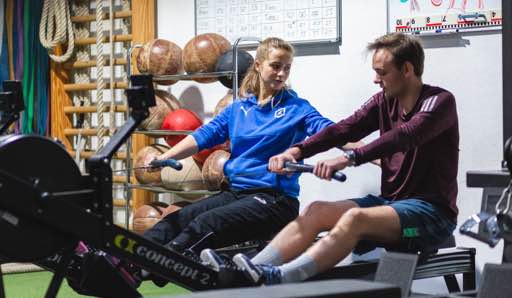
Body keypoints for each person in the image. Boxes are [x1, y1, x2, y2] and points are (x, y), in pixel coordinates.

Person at [202, 32, 459, 285]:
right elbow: (344, 129)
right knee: (317, 210)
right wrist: (298, 151)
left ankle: (281, 276)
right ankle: (253, 269)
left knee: (354, 219)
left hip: (431, 217)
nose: (375, 79)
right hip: (391, 205)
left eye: (382, 72)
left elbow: (406, 136)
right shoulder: (384, 101)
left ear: (407, 69)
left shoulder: (439, 101)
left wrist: (349, 158)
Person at [142, 37, 361, 261]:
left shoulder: (297, 108)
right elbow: (204, 135)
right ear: (258, 65)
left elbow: (334, 133)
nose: (282, 73)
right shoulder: (238, 108)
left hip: (275, 201)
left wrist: (370, 152)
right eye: (276, 66)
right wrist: (164, 156)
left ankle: (161, 265)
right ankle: (128, 263)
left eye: (287, 68)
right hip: (236, 194)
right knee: (175, 220)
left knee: (205, 223)